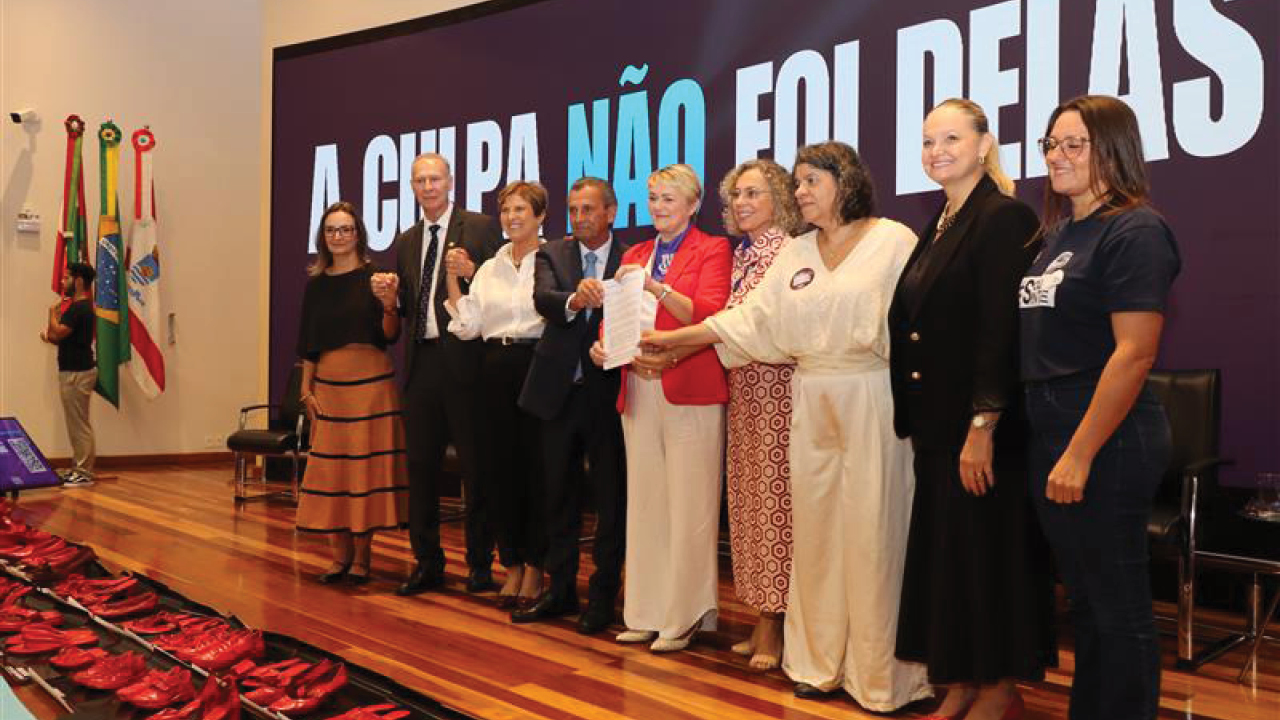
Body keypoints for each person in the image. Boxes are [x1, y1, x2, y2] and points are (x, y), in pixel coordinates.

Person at [643, 143, 930, 709]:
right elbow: (749, 322)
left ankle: (881, 677)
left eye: (810, 181)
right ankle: (819, 663)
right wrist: (673, 342)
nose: (799, 192)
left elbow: (921, 326)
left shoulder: (892, 240)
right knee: (817, 535)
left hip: (873, 395)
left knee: (875, 533)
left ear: (845, 182)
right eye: (796, 182)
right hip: (810, 396)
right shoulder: (796, 251)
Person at [890, 99, 1054, 720]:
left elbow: (999, 332)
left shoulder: (1003, 217)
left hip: (981, 431)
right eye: (928, 140)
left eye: (951, 138)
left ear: (984, 144)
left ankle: (1000, 687)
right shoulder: (943, 220)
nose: (936, 151)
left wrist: (982, 425)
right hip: (935, 427)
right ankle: (958, 681)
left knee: (988, 559)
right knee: (949, 561)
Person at [1020, 95, 1179, 720]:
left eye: (1073, 145)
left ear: (1112, 150)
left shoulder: (1135, 229)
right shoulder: (1058, 234)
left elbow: (1134, 354)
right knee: (1084, 599)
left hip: (1106, 433)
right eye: (1051, 145)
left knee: (1118, 604)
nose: (1057, 157)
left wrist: (1080, 451)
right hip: (1050, 425)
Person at [589, 163, 730, 653]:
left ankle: (687, 613)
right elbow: (616, 319)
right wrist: (602, 346)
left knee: (691, 505)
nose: (658, 207)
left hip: (690, 387)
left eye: (669, 198)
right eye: (652, 198)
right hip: (640, 385)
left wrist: (654, 287)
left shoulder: (712, 249)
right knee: (647, 504)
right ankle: (646, 610)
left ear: (693, 205)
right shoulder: (636, 252)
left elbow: (710, 314)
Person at [511, 177, 627, 635]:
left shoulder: (631, 259)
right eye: (574, 209)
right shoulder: (552, 254)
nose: (579, 217)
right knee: (556, 494)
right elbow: (544, 299)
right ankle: (560, 590)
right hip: (558, 393)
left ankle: (601, 596)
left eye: (589, 209)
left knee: (610, 499)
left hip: (609, 396)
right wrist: (577, 299)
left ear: (611, 212)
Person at [388, 153, 504, 596]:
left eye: (435, 178)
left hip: (468, 364)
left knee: (476, 469)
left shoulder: (479, 228)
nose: (429, 186)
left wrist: (472, 274)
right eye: (420, 180)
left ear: (451, 181)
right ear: (413, 188)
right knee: (420, 469)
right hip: (421, 365)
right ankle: (427, 563)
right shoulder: (406, 240)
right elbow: (406, 306)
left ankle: (479, 565)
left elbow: (500, 290)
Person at [444, 181, 549, 609]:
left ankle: (538, 566)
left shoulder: (554, 260)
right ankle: (514, 564)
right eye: (506, 210)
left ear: (540, 215)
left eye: (521, 209)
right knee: (499, 473)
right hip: (492, 371)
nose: (512, 217)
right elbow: (468, 323)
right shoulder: (490, 266)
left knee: (537, 473)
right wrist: (453, 277)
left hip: (537, 368)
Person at [295, 201, 409, 584]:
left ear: (358, 233)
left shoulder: (378, 277)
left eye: (345, 229)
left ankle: (362, 561)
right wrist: (306, 389)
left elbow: (390, 335)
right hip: (329, 390)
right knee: (332, 477)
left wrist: (389, 305)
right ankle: (338, 559)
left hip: (371, 391)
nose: (338, 237)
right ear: (322, 237)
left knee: (364, 476)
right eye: (331, 230)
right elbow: (308, 343)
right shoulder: (316, 284)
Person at [41, 263, 98, 486]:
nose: (62, 282)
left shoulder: (80, 308)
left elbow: (58, 330)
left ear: (79, 281)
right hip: (73, 371)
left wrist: (51, 314)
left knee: (79, 425)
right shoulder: (77, 308)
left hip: (78, 373)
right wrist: (51, 332)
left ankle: (83, 472)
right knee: (75, 423)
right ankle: (78, 467)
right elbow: (57, 336)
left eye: (66, 278)